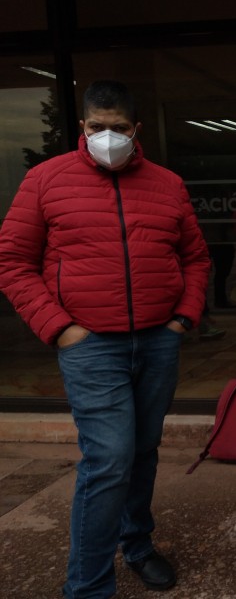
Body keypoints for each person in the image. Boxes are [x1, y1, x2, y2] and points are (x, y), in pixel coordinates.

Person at [0, 80, 210, 597]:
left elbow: (196, 258)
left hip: (157, 341)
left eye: (119, 128)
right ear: (83, 128)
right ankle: (89, 587)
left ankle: (136, 545)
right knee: (110, 458)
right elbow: (13, 262)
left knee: (143, 450)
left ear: (136, 130)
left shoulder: (167, 184)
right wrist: (59, 328)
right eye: (98, 128)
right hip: (91, 346)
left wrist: (183, 317)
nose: (108, 137)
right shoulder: (45, 181)